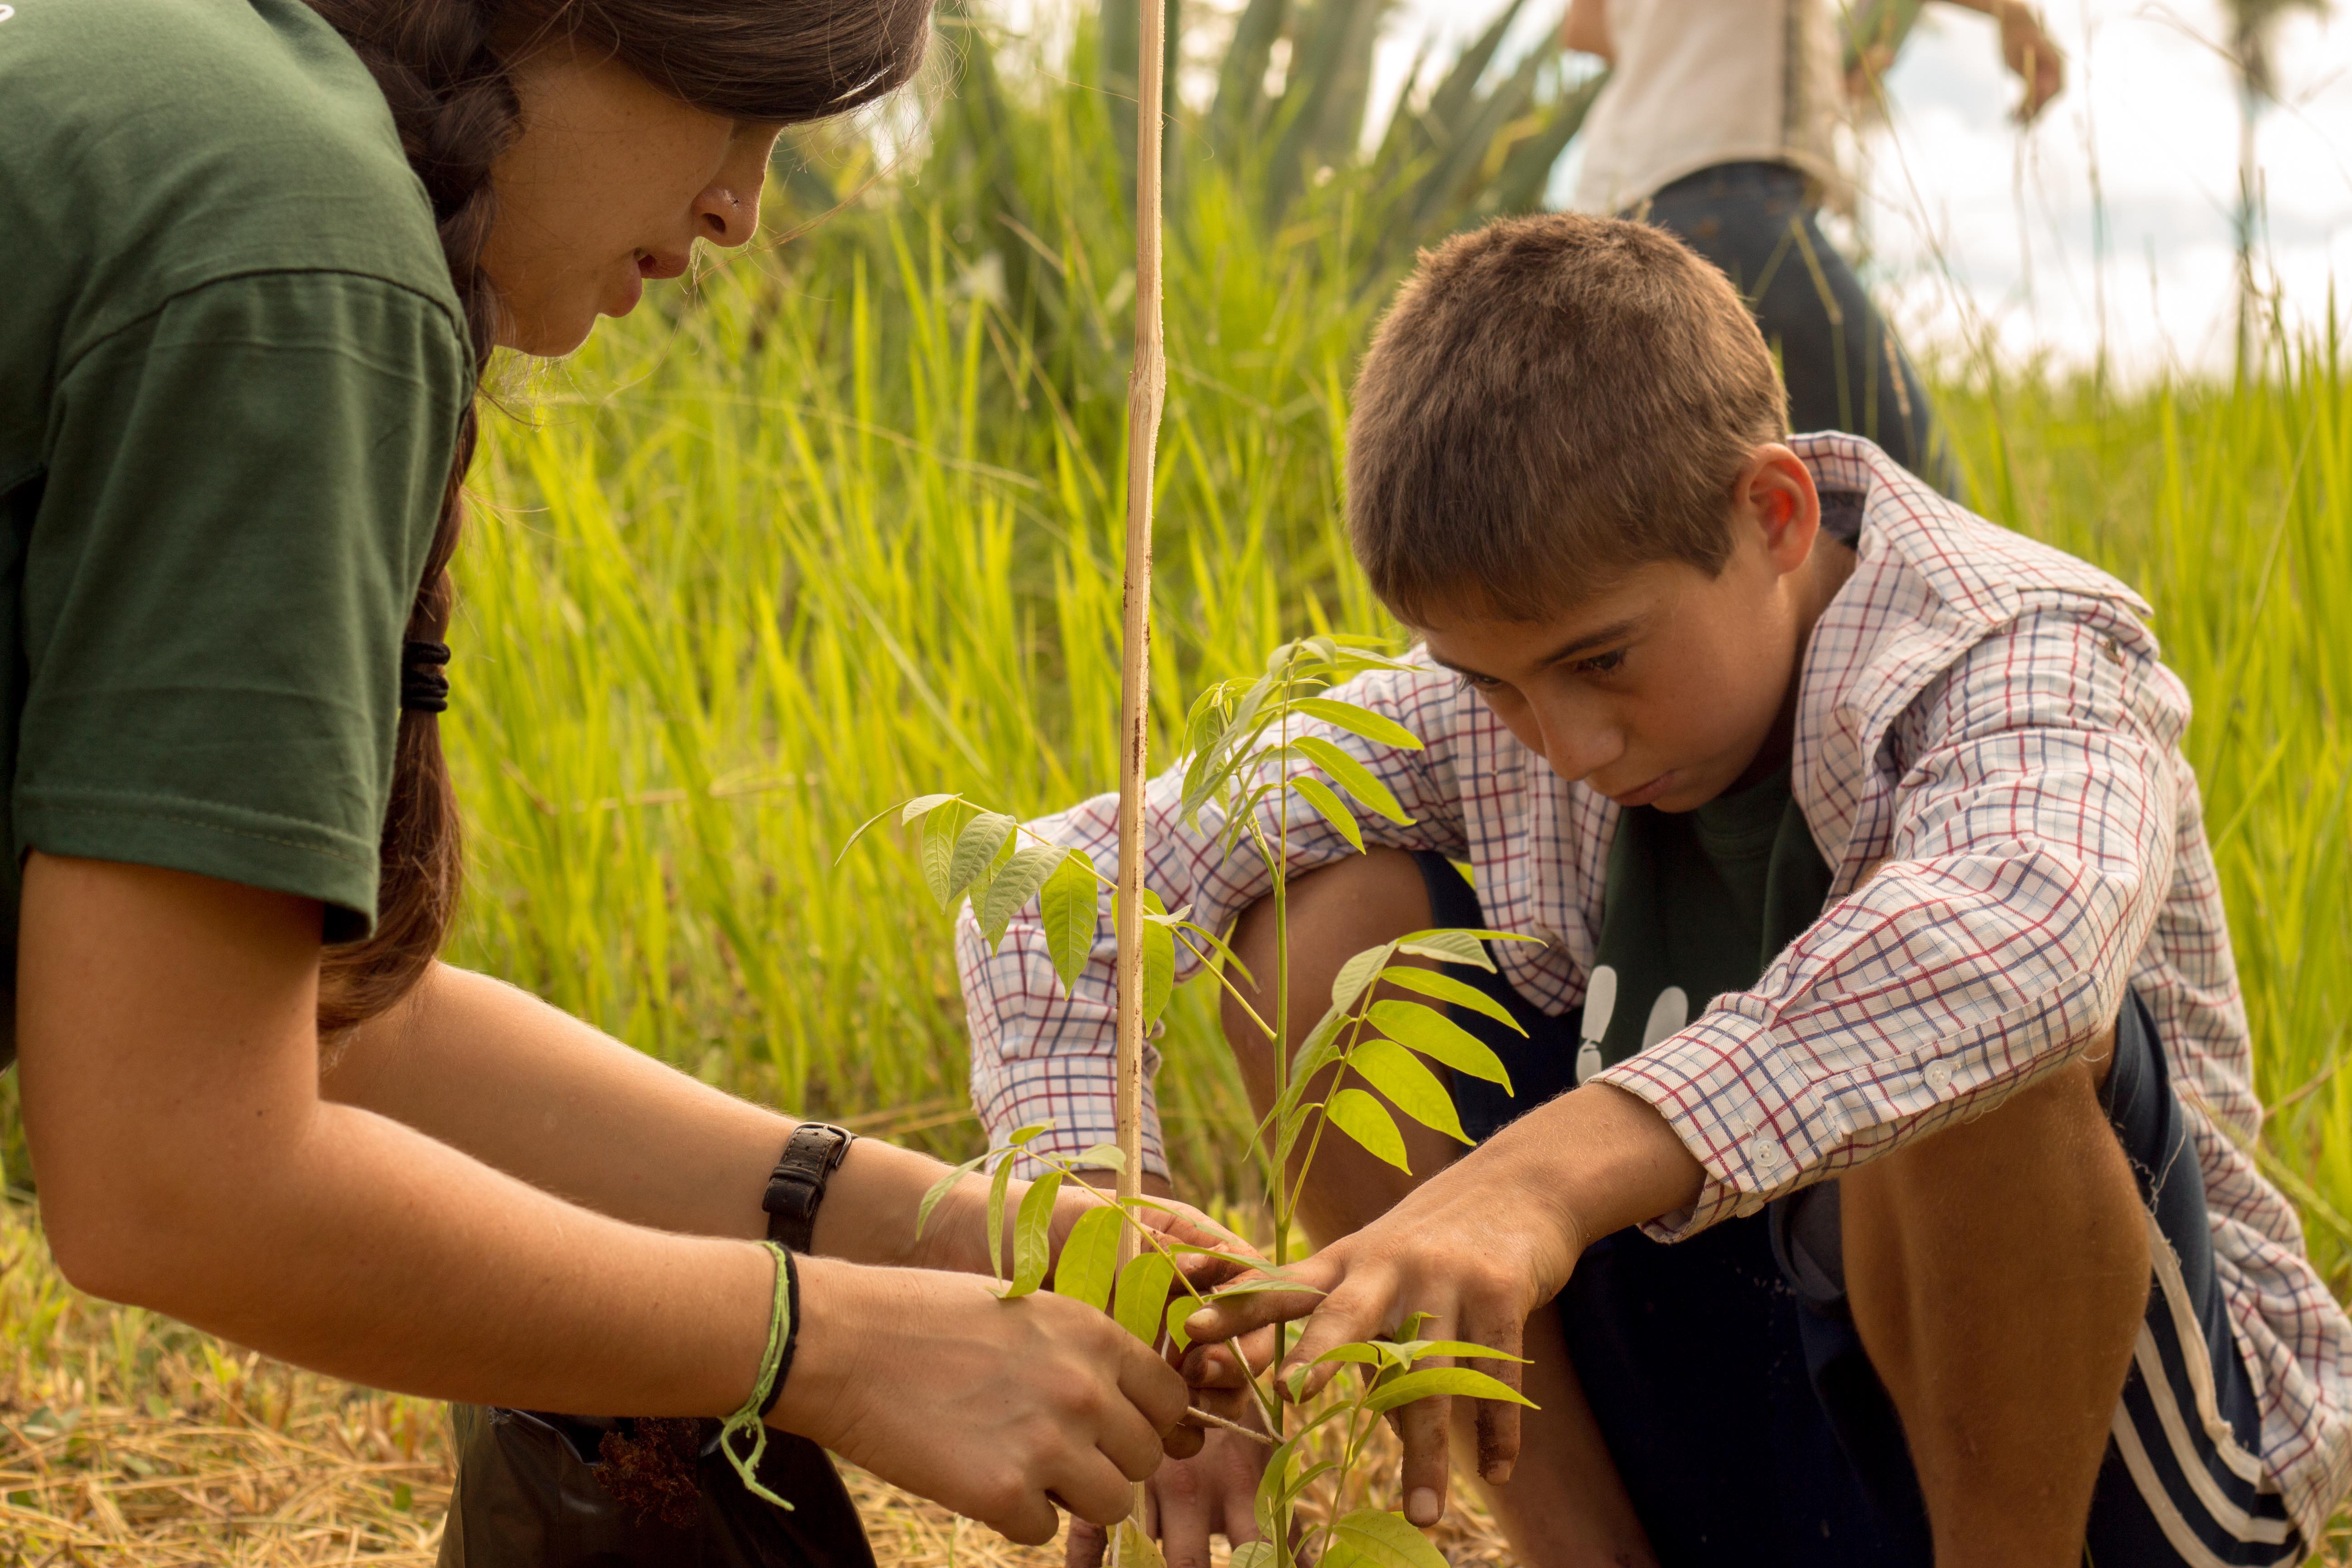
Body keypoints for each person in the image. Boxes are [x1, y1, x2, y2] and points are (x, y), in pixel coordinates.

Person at [1, 0, 1230, 1554]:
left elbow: (320, 1029)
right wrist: (832, 1343)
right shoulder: (308, 255)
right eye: (741, 114)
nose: (739, 209)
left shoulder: (219, 111)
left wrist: (949, 1234)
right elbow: (176, 1171)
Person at [966, 214, 2351, 1566]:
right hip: (1752, 1417)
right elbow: (1052, 883)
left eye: (1604, 663)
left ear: (1773, 514)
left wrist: (1541, 1181)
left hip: (2114, 1471)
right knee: (1316, 930)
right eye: (1491, 683)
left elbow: (2024, 942)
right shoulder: (1497, 710)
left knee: (1977, 1044)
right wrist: (1130, 1287)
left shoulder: (2006, 653)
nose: (1566, 743)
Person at [1560, 0, 2067, 495]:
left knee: (1684, 509)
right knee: (1912, 495)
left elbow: (1582, 27)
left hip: (1611, 211)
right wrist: (2012, 12)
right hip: (1734, 193)